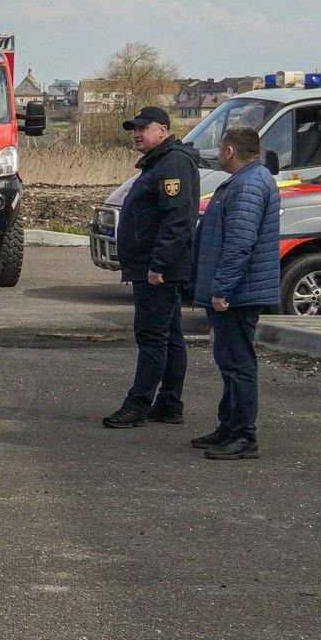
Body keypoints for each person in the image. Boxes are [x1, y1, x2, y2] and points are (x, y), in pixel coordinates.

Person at [104, 105, 200, 429]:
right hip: (154, 268)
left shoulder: (172, 164)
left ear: (163, 129)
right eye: (134, 129)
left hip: (157, 271)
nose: (137, 134)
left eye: (143, 128)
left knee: (152, 338)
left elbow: (178, 221)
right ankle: (169, 403)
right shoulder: (160, 163)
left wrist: (158, 265)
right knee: (170, 336)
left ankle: (137, 405)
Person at [191, 126, 280, 459]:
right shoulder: (246, 181)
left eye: (220, 147)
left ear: (230, 151)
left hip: (239, 292)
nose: (218, 152)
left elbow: (240, 243)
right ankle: (228, 427)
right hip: (237, 289)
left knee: (238, 364)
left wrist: (222, 288)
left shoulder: (249, 185)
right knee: (229, 361)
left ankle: (243, 435)